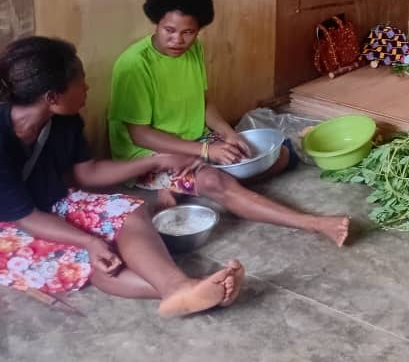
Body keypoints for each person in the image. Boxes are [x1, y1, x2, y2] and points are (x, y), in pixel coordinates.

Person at [0, 36, 244, 317]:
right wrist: (89, 242)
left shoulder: (63, 120)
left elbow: (86, 172)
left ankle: (182, 288)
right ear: (52, 98)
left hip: (51, 201)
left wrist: (157, 161)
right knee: (98, 259)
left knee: (131, 211)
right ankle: (196, 289)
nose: (87, 87)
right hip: (11, 226)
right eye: (81, 82)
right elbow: (26, 218)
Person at [107, 0, 350, 247]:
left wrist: (228, 134)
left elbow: (204, 103)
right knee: (214, 178)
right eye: (169, 30)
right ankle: (313, 223)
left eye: (188, 32)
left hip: (195, 141)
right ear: (156, 23)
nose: (178, 40)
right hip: (150, 155)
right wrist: (205, 153)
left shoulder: (194, 50)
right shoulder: (134, 65)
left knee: (277, 155)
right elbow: (140, 136)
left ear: (199, 31)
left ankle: (192, 187)